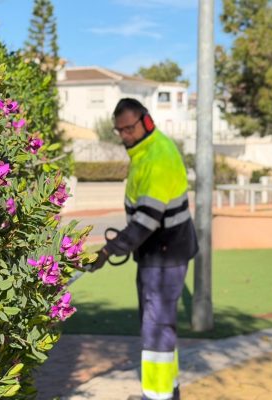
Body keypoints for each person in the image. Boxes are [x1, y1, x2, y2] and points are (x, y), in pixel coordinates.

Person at [90, 98, 198, 400]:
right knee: (160, 325)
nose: (125, 135)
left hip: (164, 255)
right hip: (160, 253)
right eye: (119, 131)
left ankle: (158, 396)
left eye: (129, 128)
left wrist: (108, 251)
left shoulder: (156, 157)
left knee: (156, 327)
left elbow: (146, 220)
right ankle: (168, 391)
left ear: (146, 122)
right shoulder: (147, 150)